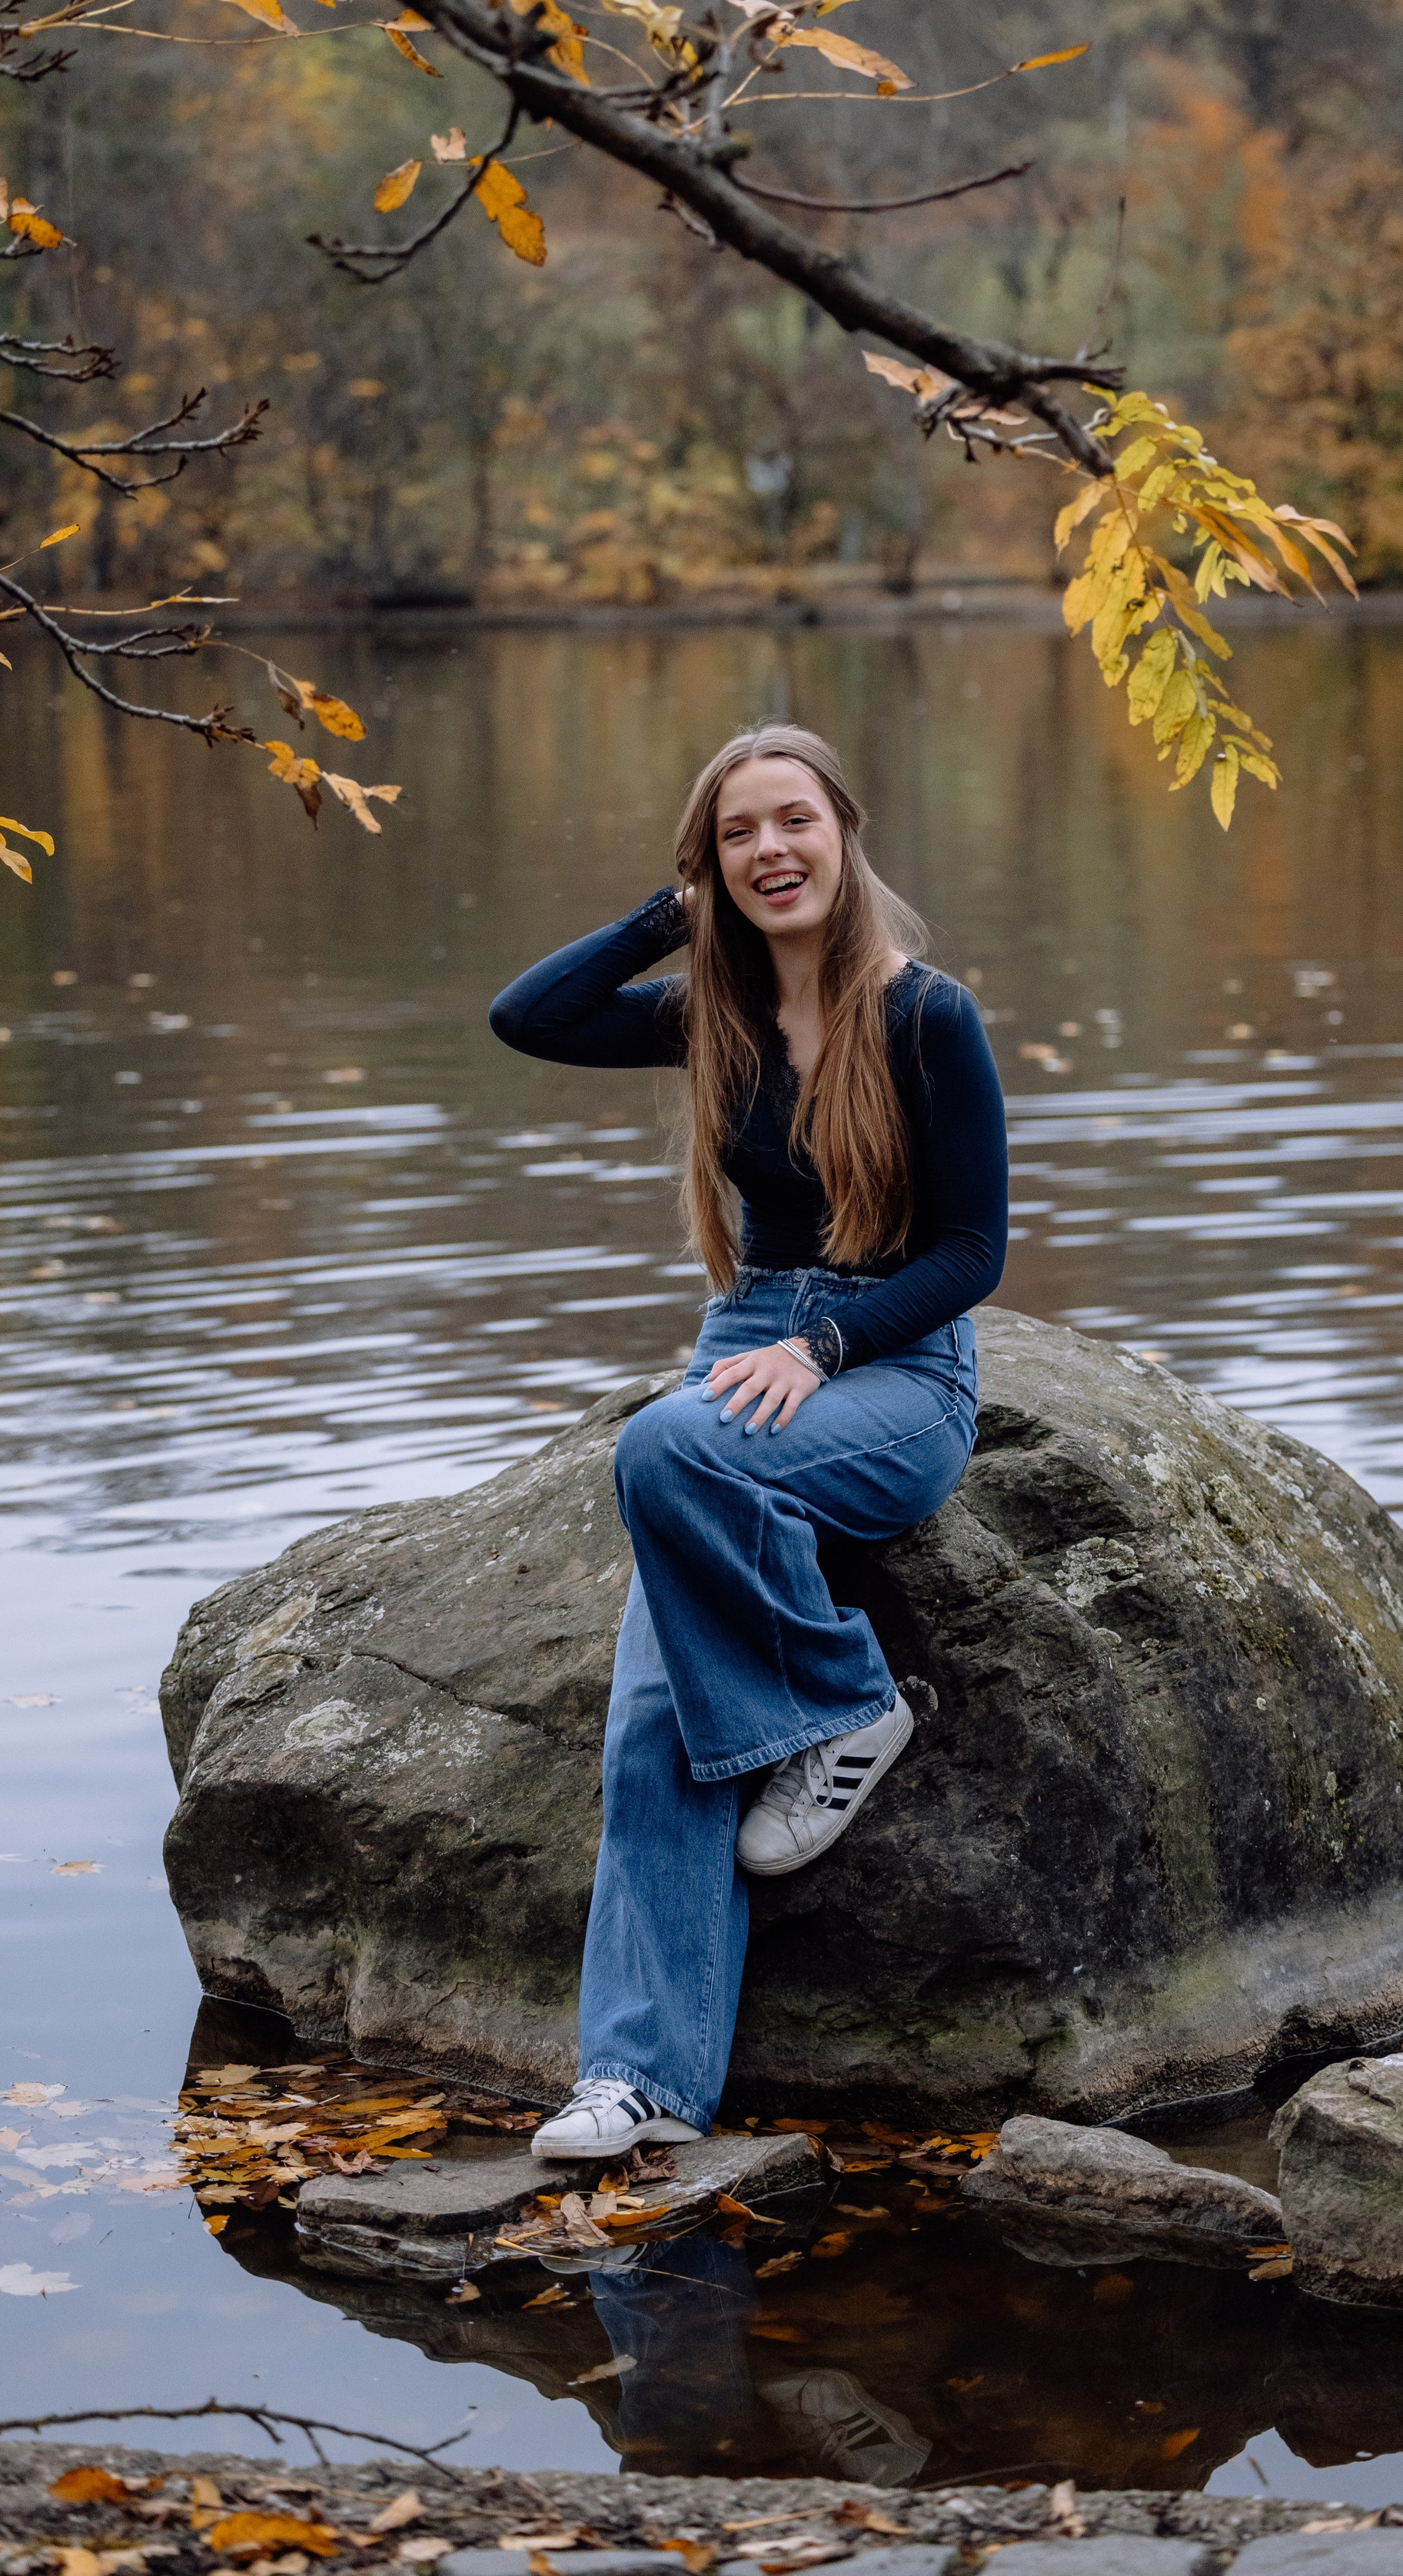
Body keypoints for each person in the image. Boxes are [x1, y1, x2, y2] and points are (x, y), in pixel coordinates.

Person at [489, 722, 1009, 2162]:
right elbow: (526, 1016)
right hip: (748, 1342)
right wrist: (673, 916)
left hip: (895, 1368)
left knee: (666, 1448)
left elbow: (974, 1251)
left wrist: (822, 1346)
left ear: (846, 831)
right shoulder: (709, 1015)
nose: (771, 849)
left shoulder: (926, 1016)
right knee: (655, 1717)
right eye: (737, 834)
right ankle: (642, 2082)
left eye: (794, 820)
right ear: (710, 862)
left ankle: (848, 1703)